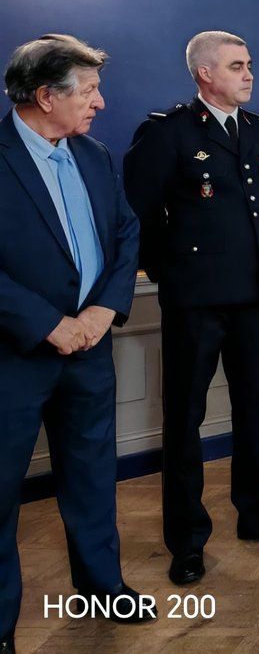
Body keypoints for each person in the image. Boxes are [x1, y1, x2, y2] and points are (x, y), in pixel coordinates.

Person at [124, 30, 259, 587]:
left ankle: (258, 512)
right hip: (196, 301)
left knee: (255, 409)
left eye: (250, 64)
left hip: (255, 294)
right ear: (205, 74)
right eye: (237, 66)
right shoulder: (168, 132)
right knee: (185, 419)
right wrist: (175, 274)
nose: (250, 73)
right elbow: (139, 217)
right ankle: (186, 539)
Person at [0, 34, 154, 650]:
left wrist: (102, 309)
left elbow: (125, 231)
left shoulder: (93, 154)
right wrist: (48, 323)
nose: (100, 103)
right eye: (88, 91)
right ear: (45, 96)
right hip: (14, 357)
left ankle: (102, 589)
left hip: (90, 350)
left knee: (92, 477)